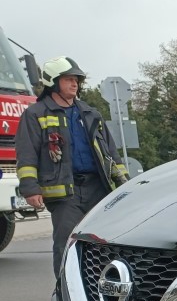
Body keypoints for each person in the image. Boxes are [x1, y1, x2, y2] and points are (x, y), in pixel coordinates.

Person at [14, 57, 129, 277]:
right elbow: (26, 153)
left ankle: (101, 290)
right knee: (67, 243)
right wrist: (30, 188)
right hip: (64, 191)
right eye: (68, 79)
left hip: (97, 188)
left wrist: (123, 181)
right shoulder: (36, 114)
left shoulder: (90, 113)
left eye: (76, 79)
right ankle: (66, 293)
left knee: (103, 242)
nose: (74, 83)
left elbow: (110, 151)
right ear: (53, 82)